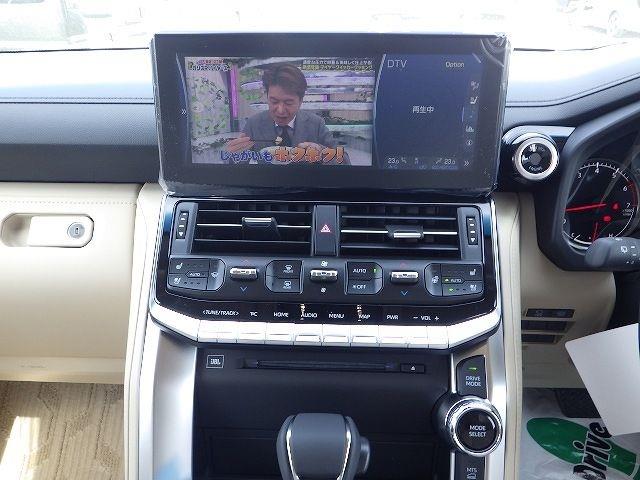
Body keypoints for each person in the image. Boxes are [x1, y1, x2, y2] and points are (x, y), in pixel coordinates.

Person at [225, 63, 347, 164]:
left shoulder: (316, 123)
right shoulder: (254, 123)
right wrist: (233, 155)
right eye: (274, 101)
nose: (280, 110)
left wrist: (321, 153)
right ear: (267, 97)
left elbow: (345, 161)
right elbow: (238, 167)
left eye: (288, 102)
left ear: (300, 101)